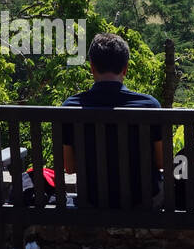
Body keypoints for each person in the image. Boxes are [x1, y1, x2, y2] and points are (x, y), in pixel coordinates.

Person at [61, 33, 163, 208]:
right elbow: (162, 162)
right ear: (125, 69)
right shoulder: (150, 106)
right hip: (142, 202)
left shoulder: (70, 107)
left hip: (92, 202)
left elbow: (69, 168)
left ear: (92, 67)